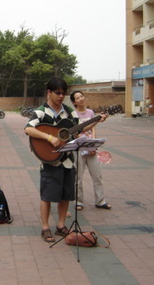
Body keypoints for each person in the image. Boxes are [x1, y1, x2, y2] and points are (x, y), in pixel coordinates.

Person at [24, 77, 107, 243]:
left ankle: (61, 225)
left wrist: (97, 120)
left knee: (65, 195)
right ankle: (45, 227)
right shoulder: (42, 111)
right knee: (47, 195)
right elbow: (28, 129)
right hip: (49, 160)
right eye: (57, 93)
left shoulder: (69, 111)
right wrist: (49, 137)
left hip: (68, 159)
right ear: (49, 92)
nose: (61, 96)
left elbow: (79, 129)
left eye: (63, 93)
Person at [69, 90, 111, 211]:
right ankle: (79, 201)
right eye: (77, 98)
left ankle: (100, 200)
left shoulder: (91, 112)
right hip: (78, 148)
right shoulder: (73, 114)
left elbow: (93, 128)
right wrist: (84, 143)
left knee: (97, 175)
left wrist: (93, 144)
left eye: (82, 96)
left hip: (91, 147)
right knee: (78, 177)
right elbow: (75, 132)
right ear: (74, 102)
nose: (81, 99)